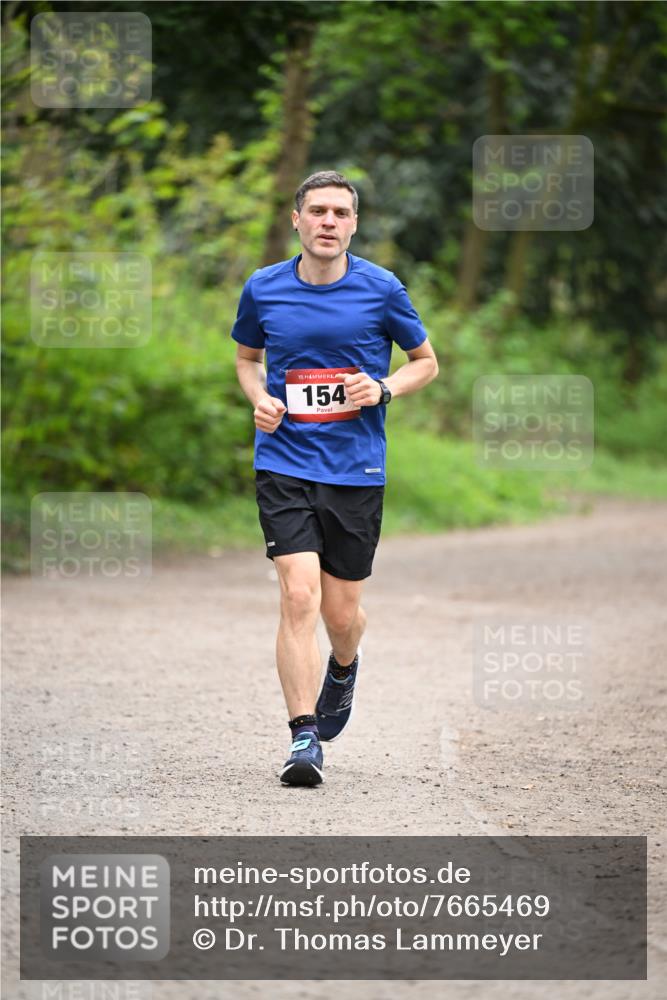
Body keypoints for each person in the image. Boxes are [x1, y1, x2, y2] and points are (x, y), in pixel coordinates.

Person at [231, 170, 438, 786]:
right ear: (296, 220)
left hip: (355, 469)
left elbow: (426, 363)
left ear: (353, 224)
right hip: (283, 461)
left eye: (340, 213)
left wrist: (382, 387)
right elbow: (248, 360)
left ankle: (343, 666)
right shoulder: (263, 288)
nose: (328, 221)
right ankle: (303, 739)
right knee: (299, 596)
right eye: (317, 211)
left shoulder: (382, 289)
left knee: (342, 614)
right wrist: (258, 399)